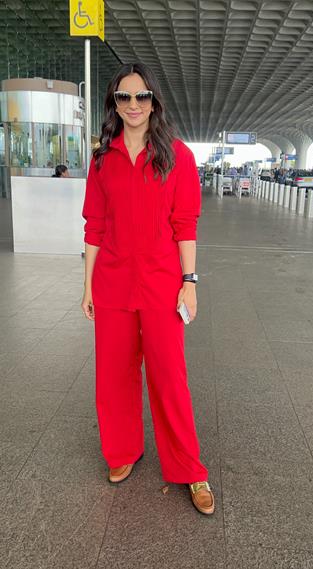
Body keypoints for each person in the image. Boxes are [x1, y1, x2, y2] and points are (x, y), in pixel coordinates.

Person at [81, 62, 214, 516]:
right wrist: (87, 288)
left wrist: (190, 282)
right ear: (113, 104)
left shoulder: (176, 155)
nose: (133, 105)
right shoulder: (103, 158)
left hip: (161, 285)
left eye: (141, 96)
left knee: (169, 376)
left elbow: (185, 225)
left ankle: (190, 467)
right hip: (113, 283)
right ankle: (122, 452)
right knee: (114, 373)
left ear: (154, 101)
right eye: (123, 97)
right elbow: (94, 226)